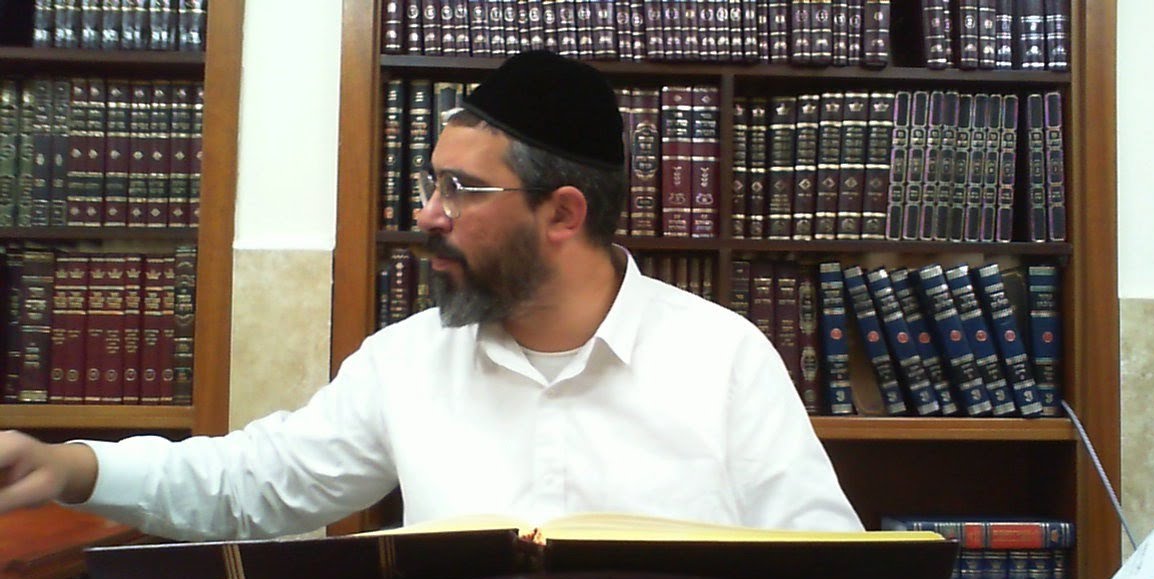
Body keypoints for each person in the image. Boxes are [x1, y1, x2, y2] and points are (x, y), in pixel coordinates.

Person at [0, 50, 862, 540]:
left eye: (460, 189)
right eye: (431, 182)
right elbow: (256, 482)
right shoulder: (407, 363)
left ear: (563, 214)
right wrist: (69, 467)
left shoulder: (722, 358)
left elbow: (832, 571)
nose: (427, 214)